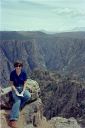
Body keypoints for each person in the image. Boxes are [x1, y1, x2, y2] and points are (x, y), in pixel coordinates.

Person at [8, 60, 31, 128]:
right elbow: (11, 84)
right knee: (18, 100)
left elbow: (25, 83)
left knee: (28, 96)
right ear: (15, 66)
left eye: (19, 66)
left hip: (21, 87)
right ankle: (13, 120)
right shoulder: (12, 73)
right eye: (16, 66)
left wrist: (23, 91)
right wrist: (16, 91)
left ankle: (17, 108)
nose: (18, 67)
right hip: (15, 88)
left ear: (21, 67)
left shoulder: (24, 73)